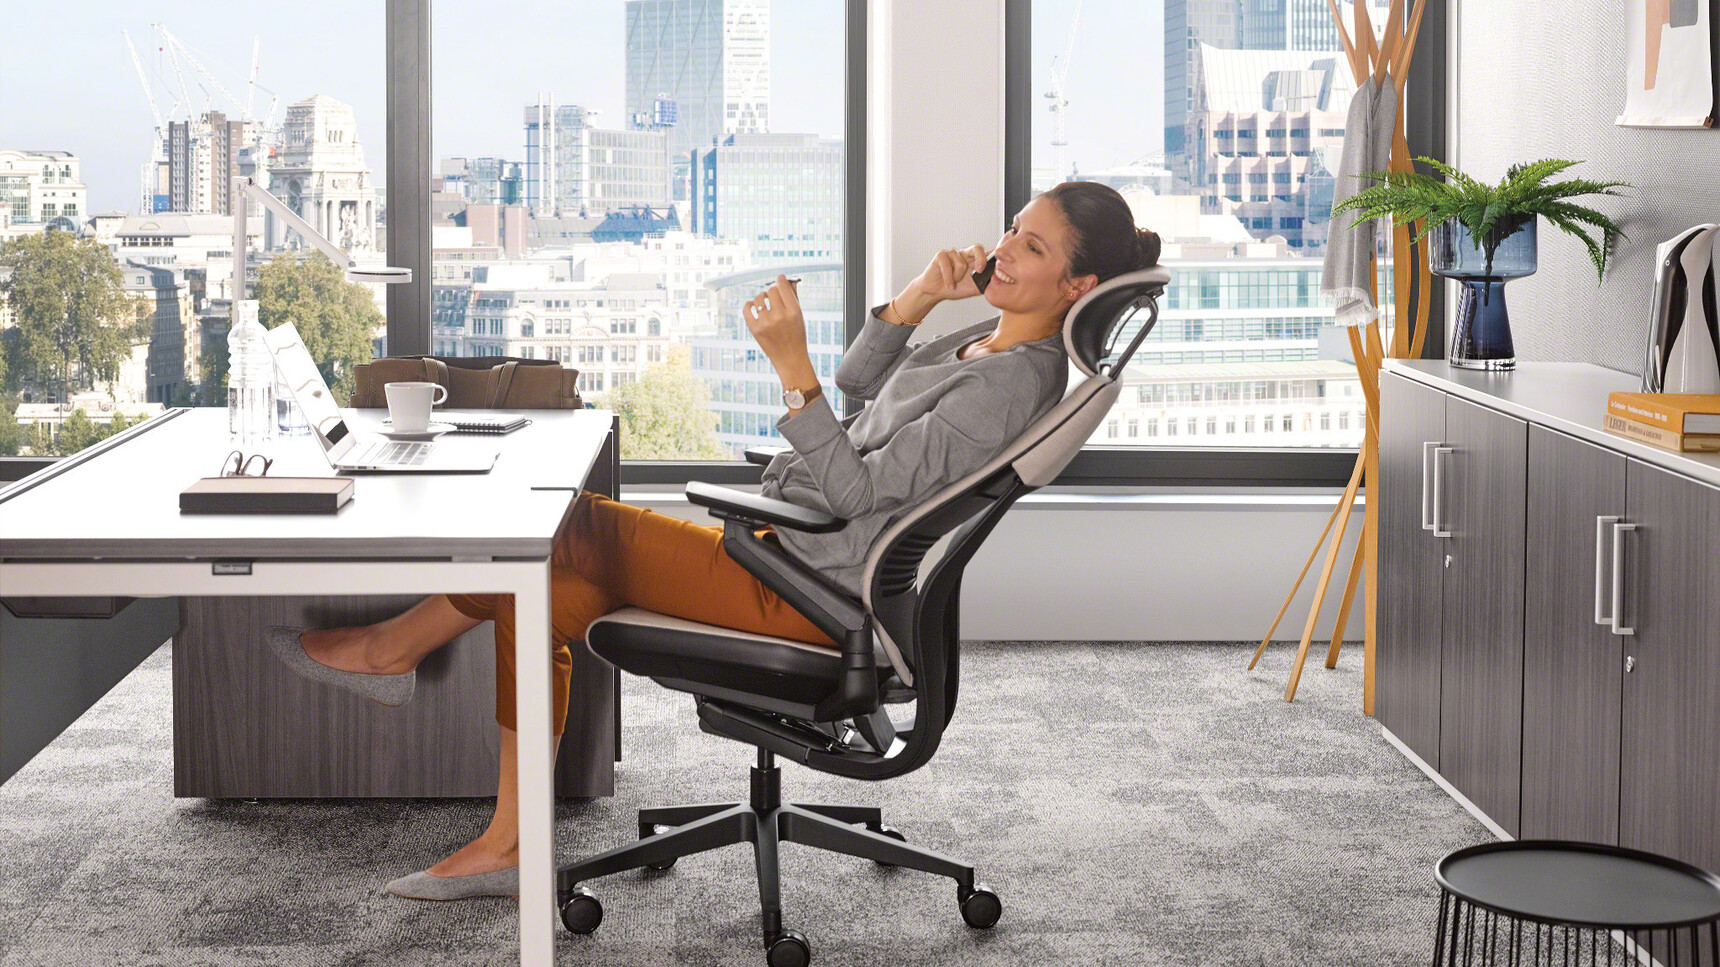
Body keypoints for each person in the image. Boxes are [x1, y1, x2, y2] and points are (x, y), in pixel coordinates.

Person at [266, 180, 1162, 900]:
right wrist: (921, 297)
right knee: (536, 582)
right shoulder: (985, 340)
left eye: (1033, 247)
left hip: (813, 589)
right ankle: (508, 840)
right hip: (796, 547)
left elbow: (853, 489)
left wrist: (788, 369)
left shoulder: (1010, 385)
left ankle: (392, 651)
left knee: (560, 528)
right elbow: (859, 389)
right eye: (1012, 227)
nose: (1004, 249)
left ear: (1078, 287)